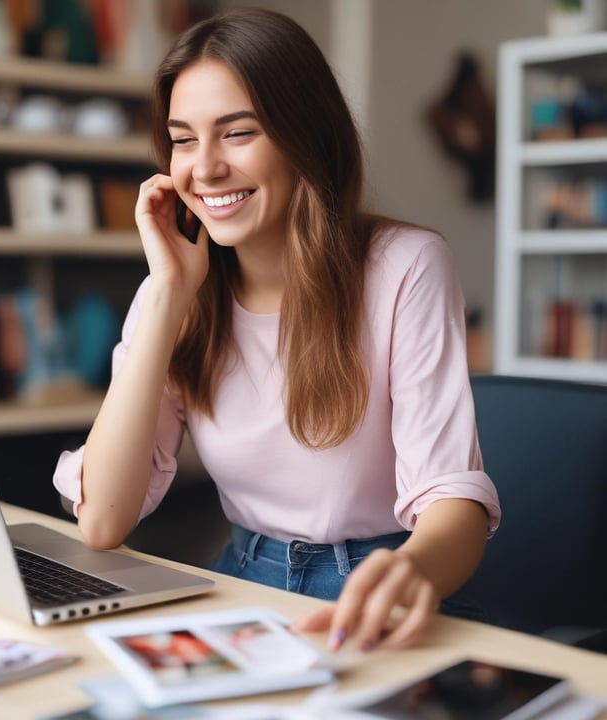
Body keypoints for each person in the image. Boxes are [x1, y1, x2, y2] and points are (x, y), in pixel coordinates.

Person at [53, 7, 500, 653]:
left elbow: (451, 499)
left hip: (377, 586)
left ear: (303, 136)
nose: (203, 169)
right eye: (182, 140)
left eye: (237, 133)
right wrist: (168, 299)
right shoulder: (175, 290)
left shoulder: (404, 266)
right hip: (240, 583)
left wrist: (410, 568)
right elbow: (102, 520)